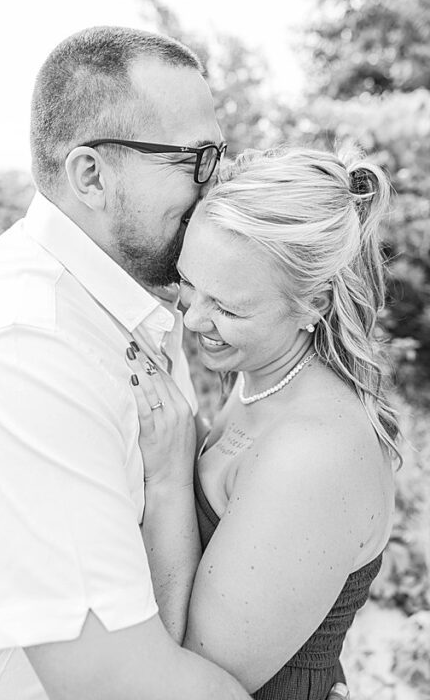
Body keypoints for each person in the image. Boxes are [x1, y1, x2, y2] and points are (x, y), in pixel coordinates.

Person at [0, 26, 252, 698]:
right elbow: (118, 682)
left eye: (217, 155)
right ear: (92, 175)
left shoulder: (123, 302)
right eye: (194, 160)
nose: (214, 188)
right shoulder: (23, 352)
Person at [126, 146, 397, 699]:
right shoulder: (262, 375)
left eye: (227, 308)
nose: (195, 318)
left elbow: (192, 681)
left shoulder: (314, 456)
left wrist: (170, 478)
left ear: (312, 305)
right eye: (188, 284)